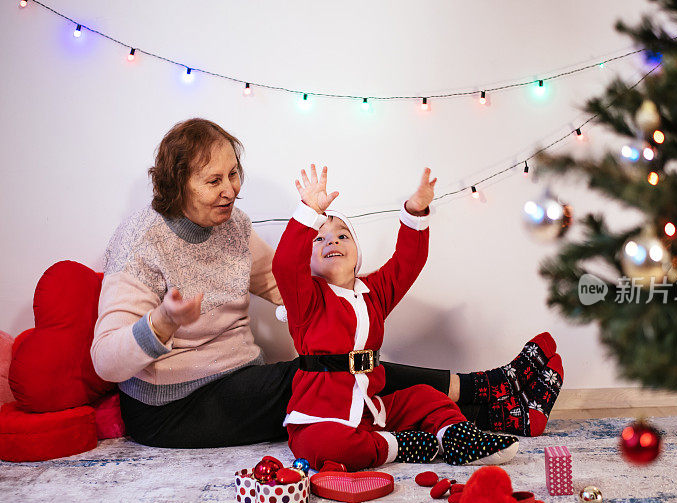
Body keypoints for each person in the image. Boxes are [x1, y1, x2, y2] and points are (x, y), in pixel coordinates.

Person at [90, 118, 564, 449]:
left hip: (241, 378)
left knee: (342, 365)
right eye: (214, 180)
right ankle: (490, 396)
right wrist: (163, 322)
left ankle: (488, 393)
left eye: (234, 174)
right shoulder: (140, 240)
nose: (231, 190)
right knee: (327, 376)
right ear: (177, 185)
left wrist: (337, 304)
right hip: (174, 406)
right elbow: (106, 360)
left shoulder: (232, 225)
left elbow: (281, 284)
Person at [273, 165, 519, 470]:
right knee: (321, 447)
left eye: (341, 235)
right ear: (308, 260)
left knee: (426, 395)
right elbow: (285, 264)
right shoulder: (305, 300)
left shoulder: (373, 291)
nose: (332, 242)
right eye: (319, 239)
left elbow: (408, 262)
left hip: (372, 410)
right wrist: (310, 211)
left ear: (356, 251)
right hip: (320, 417)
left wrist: (415, 212)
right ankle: (396, 446)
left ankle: (456, 437)